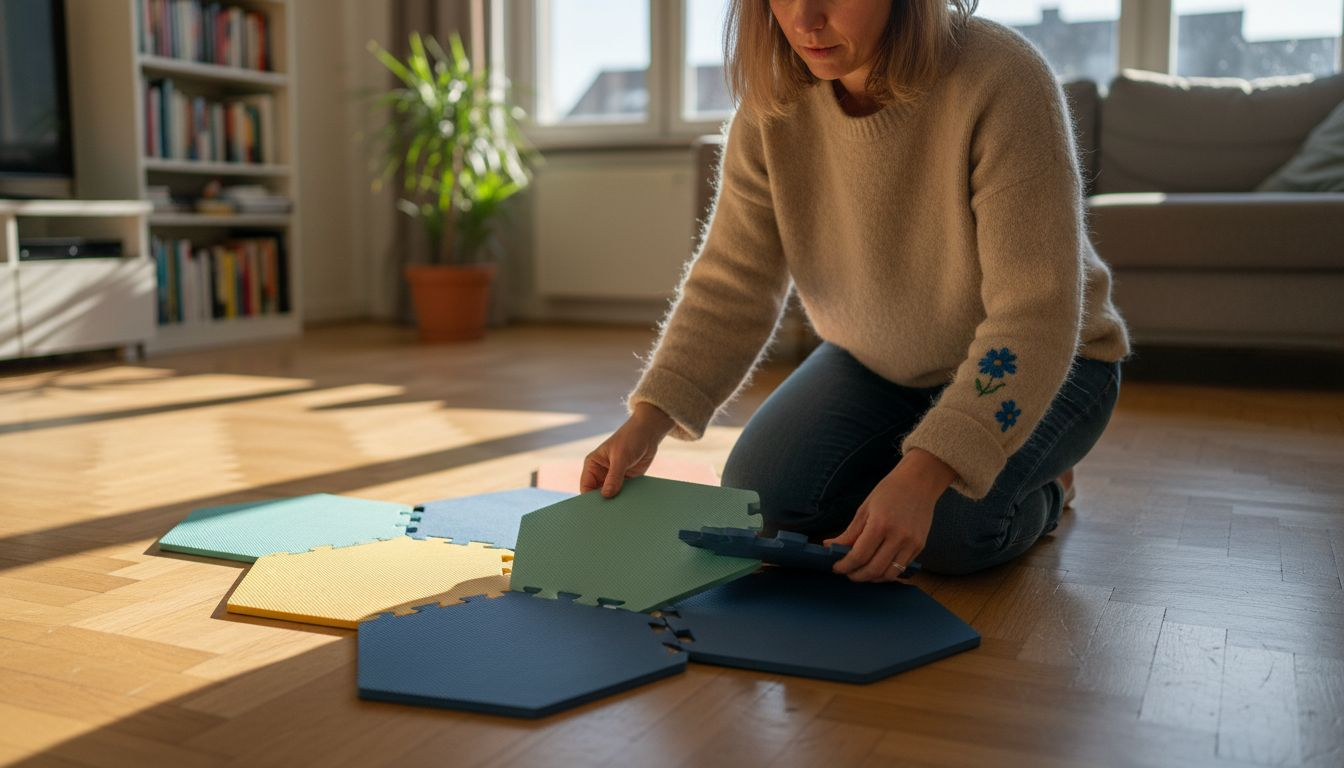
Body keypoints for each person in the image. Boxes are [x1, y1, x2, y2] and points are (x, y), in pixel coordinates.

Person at [580, 0, 1130, 581]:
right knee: (762, 502)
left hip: (1058, 366)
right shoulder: (771, 110)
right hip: (876, 363)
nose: (804, 19)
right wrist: (648, 420)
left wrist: (924, 474)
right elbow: (730, 281)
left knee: (953, 533)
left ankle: (1049, 487)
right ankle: (920, 452)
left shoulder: (1002, 77)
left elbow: (1034, 314)